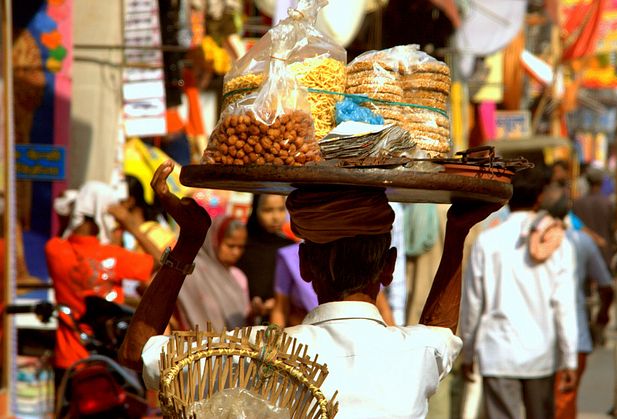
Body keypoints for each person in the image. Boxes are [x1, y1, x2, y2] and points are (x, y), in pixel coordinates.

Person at [119, 160, 498, 418]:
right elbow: (441, 333)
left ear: (303, 266)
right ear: (389, 268)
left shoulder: (259, 355)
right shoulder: (415, 354)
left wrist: (189, 243)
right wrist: (456, 235)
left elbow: (138, 352)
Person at [460, 168, 578, 419]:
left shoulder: (487, 241)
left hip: (497, 354)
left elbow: (472, 304)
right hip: (540, 354)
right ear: (540, 198)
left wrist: (467, 353)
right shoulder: (556, 242)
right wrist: (570, 359)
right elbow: (564, 305)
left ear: (507, 198)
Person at [45, 181, 160, 381]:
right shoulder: (115, 256)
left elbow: (65, 231)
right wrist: (131, 226)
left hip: (68, 359)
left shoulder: (54, 249)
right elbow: (161, 261)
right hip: (109, 360)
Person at [542, 183, 615, 419]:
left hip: (536, 339)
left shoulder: (527, 242)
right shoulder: (581, 242)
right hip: (574, 336)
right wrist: (603, 314)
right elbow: (606, 285)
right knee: (563, 403)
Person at [174, 215, 250, 330]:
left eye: (241, 247)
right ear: (214, 241)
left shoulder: (238, 276)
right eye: (231, 246)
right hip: (193, 344)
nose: (236, 252)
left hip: (231, 345)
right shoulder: (192, 270)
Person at [236, 194, 295, 323]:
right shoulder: (241, 245)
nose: (276, 217)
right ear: (255, 209)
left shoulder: (290, 248)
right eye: (268, 210)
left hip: (283, 323)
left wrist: (279, 302)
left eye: (281, 209)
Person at [572, 167, 615, 267]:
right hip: (604, 252)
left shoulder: (577, 204)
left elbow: (575, 228)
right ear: (601, 182)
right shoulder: (607, 203)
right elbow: (612, 228)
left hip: (583, 253)